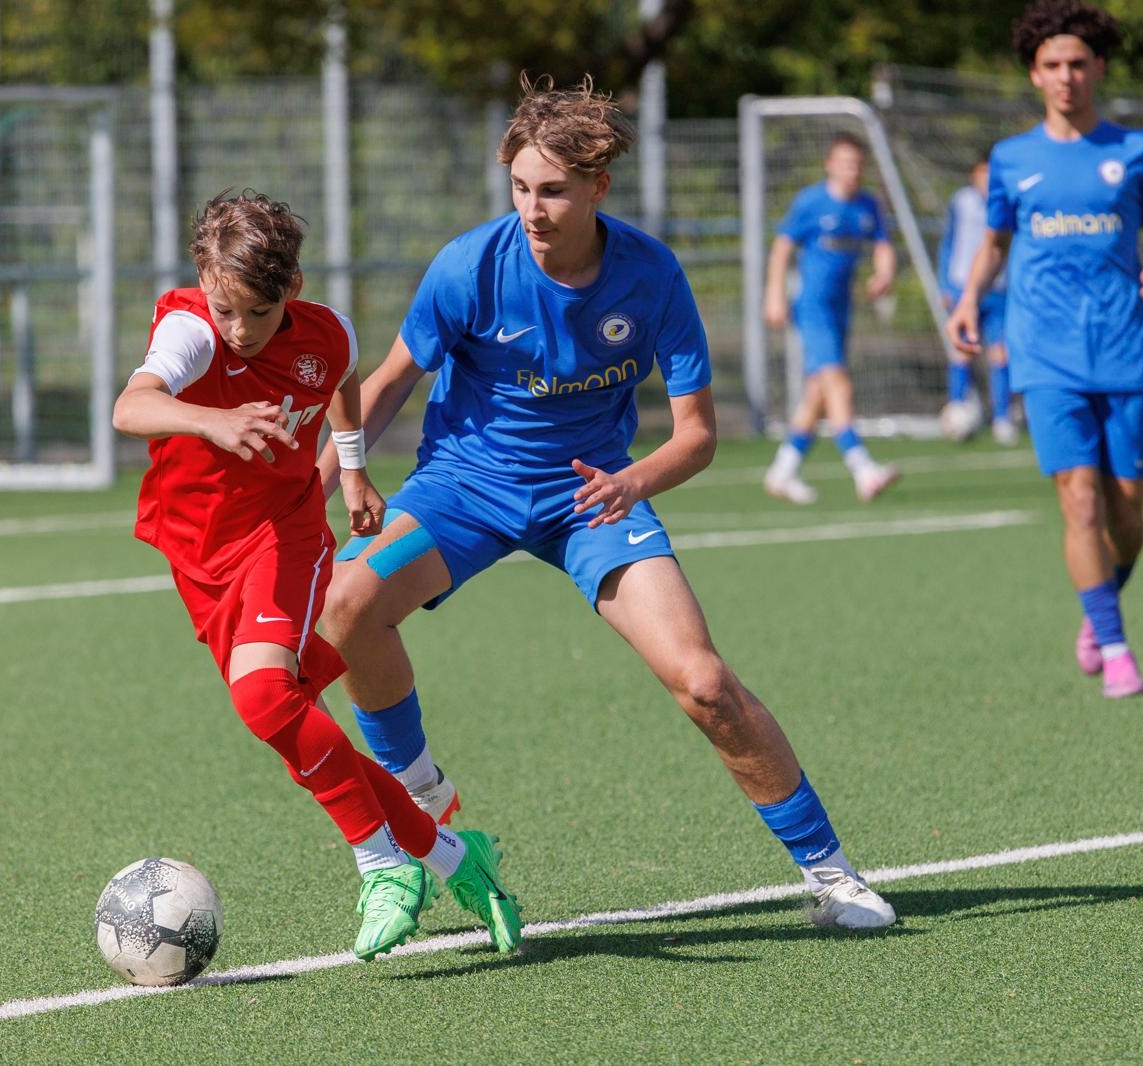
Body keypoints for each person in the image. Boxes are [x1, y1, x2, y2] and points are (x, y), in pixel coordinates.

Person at [316, 77, 896, 930]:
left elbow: (696, 435)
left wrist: (633, 482)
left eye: (552, 190)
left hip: (593, 497)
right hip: (462, 491)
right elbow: (391, 381)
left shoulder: (651, 276)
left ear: (598, 187)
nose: (532, 210)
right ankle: (420, 792)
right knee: (345, 606)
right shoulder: (469, 266)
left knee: (705, 685)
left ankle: (832, 874)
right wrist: (334, 477)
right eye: (520, 187)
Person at [111, 190, 523, 960]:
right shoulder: (190, 332)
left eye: (259, 313)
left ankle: (382, 864)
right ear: (202, 278)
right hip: (198, 553)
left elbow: (341, 378)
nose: (239, 330)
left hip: (284, 534)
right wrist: (211, 419)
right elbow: (131, 407)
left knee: (266, 699)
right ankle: (452, 855)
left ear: (292, 289)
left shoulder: (325, 332)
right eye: (225, 309)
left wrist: (354, 471)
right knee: (292, 722)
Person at [944, 0, 1143, 698]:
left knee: (1127, 518)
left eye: (1078, 63)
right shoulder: (1012, 158)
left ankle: (1098, 601)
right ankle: (1114, 646)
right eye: (1052, 64)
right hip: (1044, 353)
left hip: (1126, 347)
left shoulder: (1136, 151)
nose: (1066, 76)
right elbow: (995, 243)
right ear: (1034, 73)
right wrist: (968, 298)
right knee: (1080, 504)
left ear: (1099, 67)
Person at [761, 132, 901, 506]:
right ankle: (863, 469)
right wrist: (774, 294)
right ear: (829, 165)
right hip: (813, 307)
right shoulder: (811, 202)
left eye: (857, 164)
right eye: (844, 163)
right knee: (838, 382)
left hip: (842, 308)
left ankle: (783, 470)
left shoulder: (868, 206)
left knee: (818, 393)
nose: (851, 170)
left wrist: (884, 275)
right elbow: (782, 248)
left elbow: (883, 246)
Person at [937, 148, 1017, 445]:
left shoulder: (1008, 200)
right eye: (983, 174)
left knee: (1000, 353)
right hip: (963, 287)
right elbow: (948, 242)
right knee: (962, 350)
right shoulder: (962, 202)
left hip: (999, 289)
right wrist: (945, 284)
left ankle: (1002, 418)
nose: (987, 180)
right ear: (974, 175)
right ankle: (958, 407)